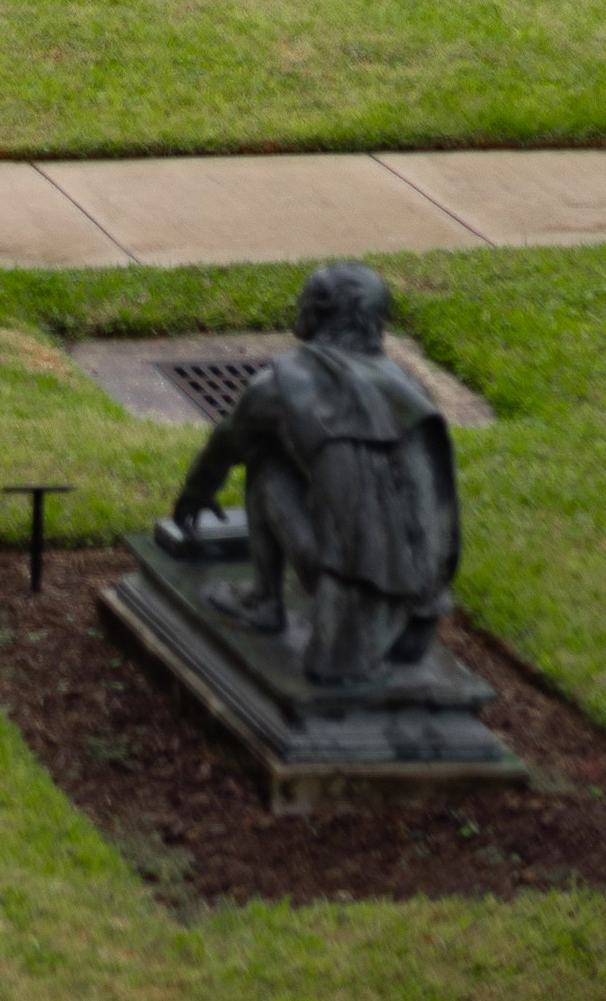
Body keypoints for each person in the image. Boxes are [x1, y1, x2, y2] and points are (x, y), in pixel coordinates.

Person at [163, 261, 462, 685]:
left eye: (303, 299)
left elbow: (227, 444)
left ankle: (264, 601)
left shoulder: (281, 385)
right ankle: (377, 618)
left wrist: (193, 495)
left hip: (345, 595)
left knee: (264, 457)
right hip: (423, 606)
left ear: (320, 312)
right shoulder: (408, 390)